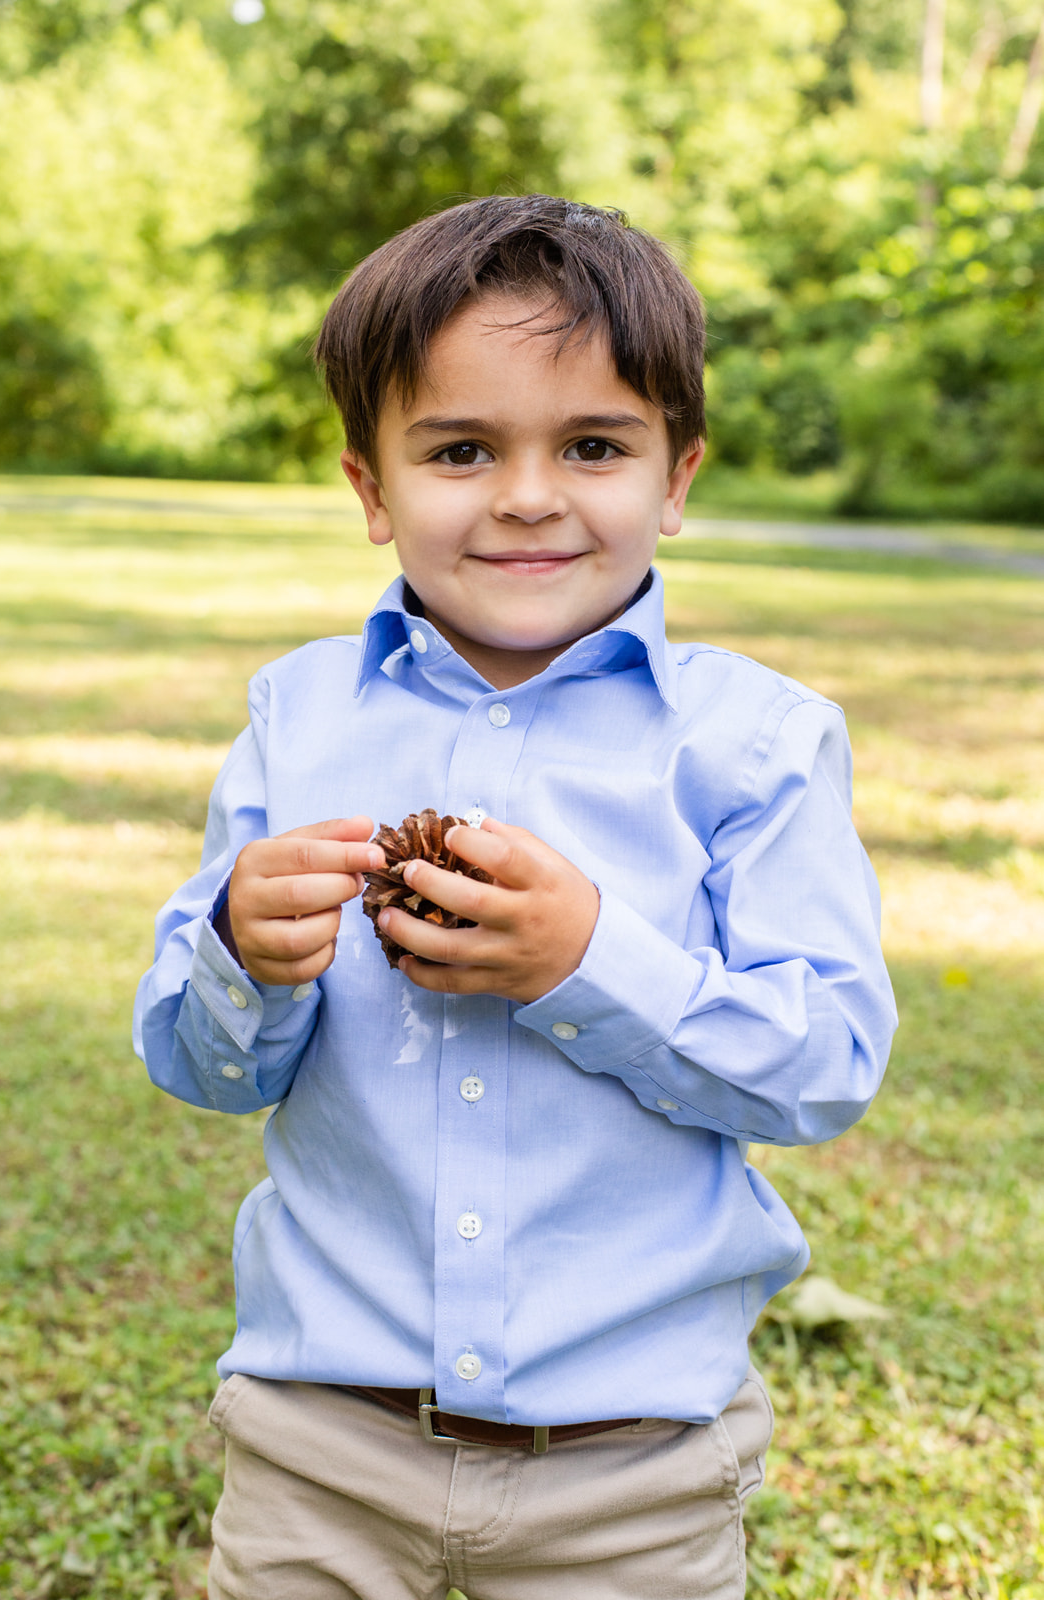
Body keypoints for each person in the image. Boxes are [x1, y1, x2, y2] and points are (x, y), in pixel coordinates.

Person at [134, 194, 897, 1600]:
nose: (530, 495)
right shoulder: (299, 718)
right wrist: (245, 953)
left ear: (677, 479)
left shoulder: (753, 745)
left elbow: (825, 1063)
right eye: (463, 448)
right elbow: (206, 1066)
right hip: (324, 1442)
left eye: (595, 445)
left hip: (635, 1467)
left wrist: (585, 960)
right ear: (374, 488)